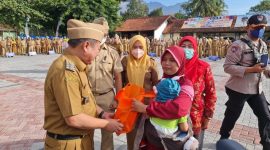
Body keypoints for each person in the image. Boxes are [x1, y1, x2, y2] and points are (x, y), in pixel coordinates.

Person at [43, 19, 123, 150]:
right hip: (68, 144)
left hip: (79, 141)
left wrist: (102, 113)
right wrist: (105, 124)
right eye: (97, 48)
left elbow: (86, 99)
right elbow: (74, 118)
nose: (98, 53)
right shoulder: (66, 71)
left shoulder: (78, 66)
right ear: (86, 46)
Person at [219, 14, 270, 150]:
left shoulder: (263, 44)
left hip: (256, 89)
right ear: (248, 28)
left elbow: (263, 64)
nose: (260, 30)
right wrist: (251, 69)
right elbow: (227, 67)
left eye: (263, 27)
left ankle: (267, 144)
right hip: (238, 89)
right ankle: (223, 139)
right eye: (257, 27)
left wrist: (267, 71)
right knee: (232, 116)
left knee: (265, 116)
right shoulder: (238, 45)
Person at [132, 46, 195, 150]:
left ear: (180, 62)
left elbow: (178, 109)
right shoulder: (162, 81)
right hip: (153, 141)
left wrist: (146, 108)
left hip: (170, 143)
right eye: (164, 60)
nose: (166, 63)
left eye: (172, 60)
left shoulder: (185, 85)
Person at [88, 17, 123, 150]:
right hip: (88, 97)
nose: (103, 36)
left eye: (105, 33)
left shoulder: (112, 53)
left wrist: (117, 98)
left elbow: (118, 77)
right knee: (87, 133)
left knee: (108, 134)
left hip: (107, 97)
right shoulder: (86, 51)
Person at [178, 36, 217, 150]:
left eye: (190, 47)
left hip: (196, 117)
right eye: (183, 46)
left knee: (194, 146)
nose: (186, 49)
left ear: (195, 49)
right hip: (176, 117)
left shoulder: (203, 67)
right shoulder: (174, 65)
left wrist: (208, 117)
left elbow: (211, 93)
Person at [121, 35, 159, 150]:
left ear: (145, 48)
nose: (138, 50)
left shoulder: (151, 62)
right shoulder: (125, 61)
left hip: (145, 106)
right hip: (130, 105)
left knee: (145, 136)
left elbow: (156, 84)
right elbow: (121, 82)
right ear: (130, 47)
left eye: (141, 47)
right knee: (132, 137)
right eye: (135, 47)